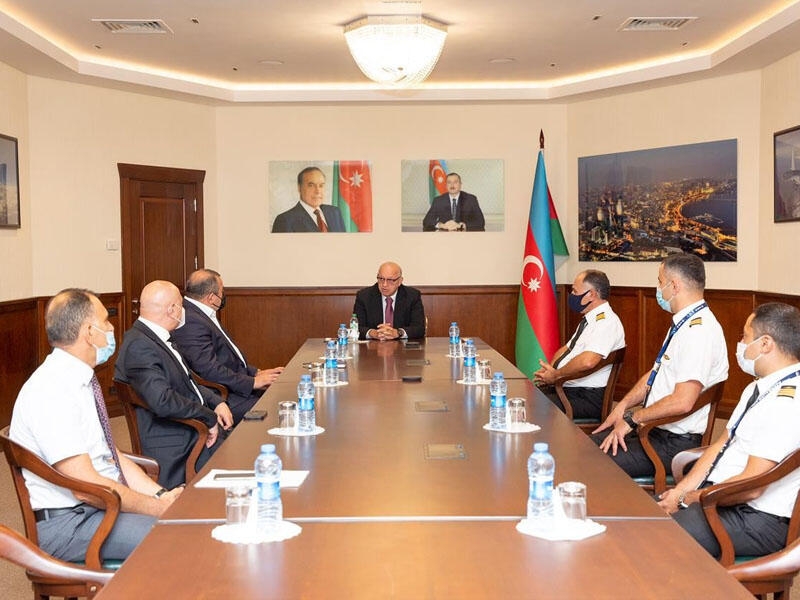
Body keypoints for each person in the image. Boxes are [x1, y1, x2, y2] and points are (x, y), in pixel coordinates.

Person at [9, 289, 183, 562]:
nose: (112, 328)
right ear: (89, 333)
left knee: (185, 523)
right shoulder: (51, 390)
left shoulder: (78, 380)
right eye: (106, 321)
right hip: (71, 522)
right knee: (178, 538)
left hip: (99, 508)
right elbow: (83, 486)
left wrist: (161, 495)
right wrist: (156, 508)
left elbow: (110, 455)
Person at [659, 303, 800, 558]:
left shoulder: (787, 401)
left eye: (745, 337)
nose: (741, 344)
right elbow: (721, 444)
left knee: (657, 537)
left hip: (758, 518)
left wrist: (688, 500)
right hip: (724, 498)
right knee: (645, 515)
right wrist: (680, 491)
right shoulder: (758, 387)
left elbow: (752, 487)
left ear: (765, 343)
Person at [592, 253, 728, 478]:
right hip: (654, 430)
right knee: (585, 446)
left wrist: (633, 419)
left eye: (659, 280)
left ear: (674, 285)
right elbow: (656, 374)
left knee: (589, 460)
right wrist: (623, 406)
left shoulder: (699, 332)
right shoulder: (684, 323)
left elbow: (683, 401)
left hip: (673, 444)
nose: (658, 287)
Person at [114, 280, 232, 489]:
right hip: (176, 439)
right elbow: (163, 400)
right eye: (181, 305)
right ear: (172, 309)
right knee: (242, 454)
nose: (184, 310)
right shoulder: (140, 346)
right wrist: (208, 416)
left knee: (245, 440)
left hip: (186, 427)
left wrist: (216, 402)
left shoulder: (154, 337)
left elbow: (188, 382)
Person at [170, 269, 284, 425]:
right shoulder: (191, 321)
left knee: (283, 392)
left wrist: (256, 372)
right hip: (222, 396)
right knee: (281, 407)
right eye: (222, 292)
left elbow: (228, 356)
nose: (223, 296)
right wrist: (252, 382)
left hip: (234, 386)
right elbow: (209, 370)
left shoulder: (201, 313)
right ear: (211, 297)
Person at [533, 270, 625, 419]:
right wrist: (551, 369)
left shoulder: (606, 322)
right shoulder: (590, 320)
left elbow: (588, 362)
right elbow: (568, 349)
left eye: (575, 291)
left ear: (591, 294)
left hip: (586, 397)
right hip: (568, 389)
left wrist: (556, 375)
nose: (572, 295)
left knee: (533, 408)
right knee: (526, 398)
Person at [354, 261, 426, 340]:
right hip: (373, 347)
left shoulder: (412, 296)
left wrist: (398, 333)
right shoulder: (364, 296)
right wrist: (372, 333)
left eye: (390, 280)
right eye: (381, 279)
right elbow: (356, 327)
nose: (384, 284)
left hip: (402, 348)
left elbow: (419, 328)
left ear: (400, 281)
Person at [271, 166, 346, 233]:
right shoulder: (285, 220)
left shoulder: (335, 212)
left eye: (321, 185)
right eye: (311, 185)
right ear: (299, 187)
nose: (318, 191)